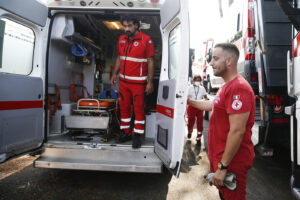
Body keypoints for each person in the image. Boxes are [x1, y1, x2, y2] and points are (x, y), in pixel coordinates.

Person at [188, 43, 255, 200]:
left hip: (232, 162)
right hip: (222, 159)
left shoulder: (239, 88)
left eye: (215, 59)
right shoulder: (226, 87)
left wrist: (223, 167)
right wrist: (187, 100)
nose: (211, 63)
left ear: (229, 61)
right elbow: (211, 105)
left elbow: (237, 131)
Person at [110, 15, 155, 148]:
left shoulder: (146, 40)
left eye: (129, 26)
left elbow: (151, 61)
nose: (126, 29)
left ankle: (137, 135)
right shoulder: (121, 39)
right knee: (123, 108)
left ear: (136, 25)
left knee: (139, 109)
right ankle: (125, 132)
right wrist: (114, 74)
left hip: (138, 83)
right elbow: (119, 57)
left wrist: (150, 81)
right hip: (123, 82)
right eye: (124, 26)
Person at [187, 75, 208, 146]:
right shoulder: (189, 88)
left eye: (199, 80)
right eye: (196, 80)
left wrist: (205, 99)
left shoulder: (202, 88)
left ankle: (198, 138)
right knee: (191, 121)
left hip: (200, 106)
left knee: (200, 122)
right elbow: (186, 97)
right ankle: (189, 131)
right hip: (192, 106)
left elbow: (205, 96)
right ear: (193, 80)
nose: (198, 82)